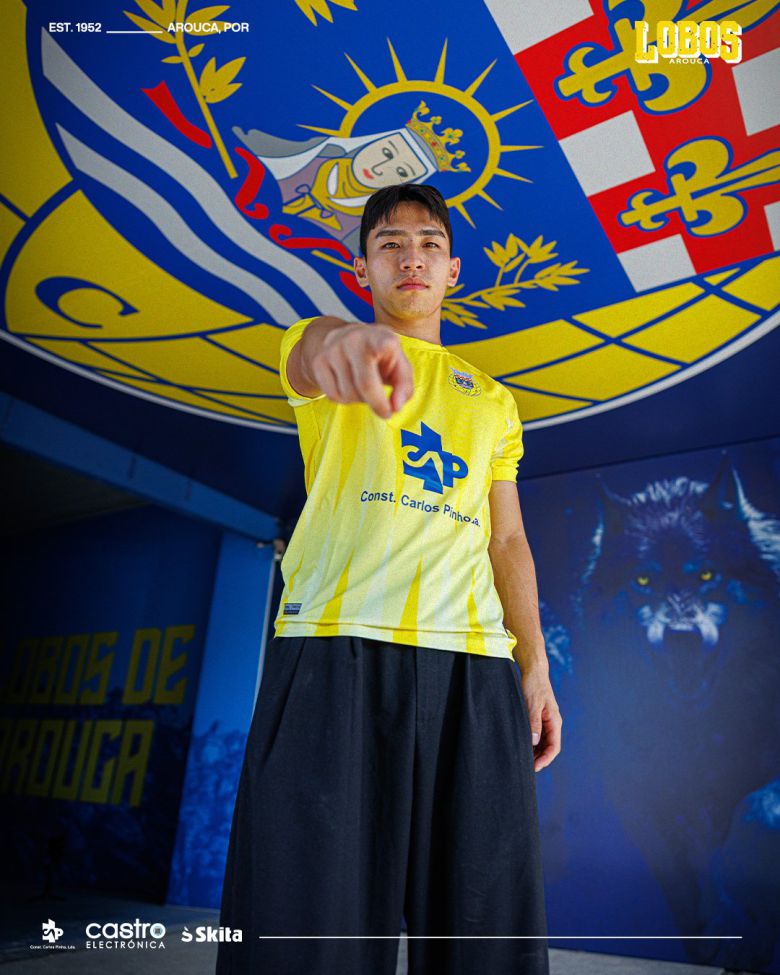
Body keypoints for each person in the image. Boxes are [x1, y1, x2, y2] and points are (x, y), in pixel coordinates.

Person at [216, 183, 562, 975]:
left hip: (473, 666)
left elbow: (508, 538)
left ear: (453, 270)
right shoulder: (328, 352)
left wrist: (535, 665)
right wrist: (339, 341)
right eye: (390, 244)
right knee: (305, 929)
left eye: (430, 244)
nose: (412, 257)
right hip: (333, 650)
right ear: (362, 269)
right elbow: (310, 351)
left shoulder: (494, 401)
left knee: (487, 935)